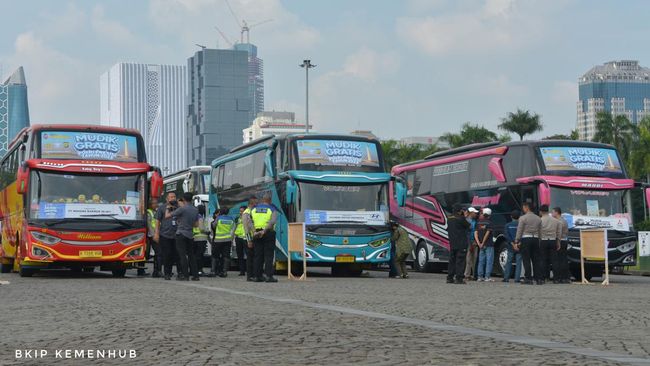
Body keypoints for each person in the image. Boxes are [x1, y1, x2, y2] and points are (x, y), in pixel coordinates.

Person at [171, 192, 200, 281]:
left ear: (183, 199)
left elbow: (170, 215)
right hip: (190, 235)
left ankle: (185, 275)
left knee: (182, 255)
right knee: (191, 255)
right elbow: (196, 224)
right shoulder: (195, 210)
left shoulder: (182, 209)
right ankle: (195, 275)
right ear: (191, 199)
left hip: (181, 233)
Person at [251, 194, 279, 283]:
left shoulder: (254, 209)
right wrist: (264, 231)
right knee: (268, 255)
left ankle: (257, 276)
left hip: (256, 233)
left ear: (262, 200)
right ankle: (268, 276)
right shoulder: (272, 209)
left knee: (258, 255)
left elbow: (250, 221)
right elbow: (272, 222)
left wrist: (254, 231)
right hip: (268, 233)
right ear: (270, 201)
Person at [514, 202, 542, 285]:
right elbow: (540, 231)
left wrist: (517, 241)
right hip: (536, 239)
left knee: (526, 259)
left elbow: (519, 230)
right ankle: (538, 279)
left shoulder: (522, 218)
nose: (523, 209)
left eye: (523, 207)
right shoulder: (538, 218)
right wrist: (539, 240)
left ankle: (528, 278)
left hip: (526, 239)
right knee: (536, 259)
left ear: (526, 207)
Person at [154, 192, 179, 280]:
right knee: (166, 254)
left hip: (176, 235)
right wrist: (156, 233)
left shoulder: (178, 207)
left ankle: (172, 272)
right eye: (171, 197)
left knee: (174, 255)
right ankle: (167, 273)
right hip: (165, 234)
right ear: (167, 199)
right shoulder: (162, 208)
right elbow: (157, 221)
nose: (173, 198)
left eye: (174, 196)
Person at [447, 204, 470, 284]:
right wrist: (465, 216)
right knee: (460, 261)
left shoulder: (449, 218)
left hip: (452, 242)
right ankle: (459, 278)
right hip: (461, 243)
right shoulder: (461, 218)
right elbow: (468, 226)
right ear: (460, 211)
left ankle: (449, 277)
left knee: (452, 260)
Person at [210, 208, 235, 278]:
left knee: (215, 256)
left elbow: (214, 225)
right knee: (226, 256)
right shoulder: (231, 219)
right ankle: (224, 272)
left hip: (218, 240)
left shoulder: (219, 218)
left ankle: (213, 271)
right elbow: (233, 229)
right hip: (227, 240)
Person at [539, 205, 561, 284]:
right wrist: (558, 241)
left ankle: (542, 278)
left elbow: (538, 232)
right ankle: (556, 278)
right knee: (554, 260)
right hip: (553, 240)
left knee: (543, 260)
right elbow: (559, 232)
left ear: (541, 211)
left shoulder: (540, 220)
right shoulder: (555, 221)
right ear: (548, 211)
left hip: (543, 240)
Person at [503, 210, 523, 283]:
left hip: (510, 246)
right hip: (519, 246)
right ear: (519, 217)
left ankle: (506, 278)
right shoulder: (521, 225)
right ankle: (517, 278)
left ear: (511, 216)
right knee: (518, 262)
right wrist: (518, 244)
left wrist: (513, 244)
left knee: (508, 262)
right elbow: (522, 235)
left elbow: (507, 236)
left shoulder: (507, 225)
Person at [475, 208, 495, 282]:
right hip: (488, 244)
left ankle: (480, 277)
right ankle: (487, 277)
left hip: (480, 245)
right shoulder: (490, 223)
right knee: (489, 260)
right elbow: (487, 233)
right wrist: (483, 242)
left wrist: (479, 243)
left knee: (481, 261)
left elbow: (475, 233)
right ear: (489, 215)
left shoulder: (478, 223)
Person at [552, 207, 570, 284]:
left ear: (557, 212)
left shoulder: (559, 222)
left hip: (560, 241)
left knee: (558, 260)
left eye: (553, 212)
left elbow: (558, 233)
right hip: (564, 240)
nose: (552, 214)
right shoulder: (564, 221)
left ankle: (559, 277)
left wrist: (557, 241)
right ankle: (565, 277)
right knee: (563, 259)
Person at [242, 197, 257, 281]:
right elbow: (246, 227)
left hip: (252, 237)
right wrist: (249, 240)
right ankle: (250, 276)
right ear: (252, 203)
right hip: (248, 238)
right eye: (256, 203)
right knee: (250, 258)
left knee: (253, 257)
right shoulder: (246, 213)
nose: (257, 204)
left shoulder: (252, 211)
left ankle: (254, 275)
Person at [193, 203, 210, 276]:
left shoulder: (194, 216)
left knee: (196, 255)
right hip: (201, 238)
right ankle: (199, 270)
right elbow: (201, 228)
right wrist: (207, 231)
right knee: (200, 256)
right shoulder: (200, 217)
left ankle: (195, 270)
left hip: (195, 238)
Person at [145, 200, 160, 277]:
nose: (156, 205)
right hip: (152, 235)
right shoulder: (148, 212)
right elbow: (149, 225)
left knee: (156, 253)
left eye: (156, 203)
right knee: (157, 253)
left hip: (155, 235)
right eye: (154, 203)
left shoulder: (155, 212)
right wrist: (154, 235)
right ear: (150, 205)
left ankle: (156, 270)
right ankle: (156, 271)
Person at [464, 207, 479, 281]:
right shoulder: (466, 221)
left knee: (474, 259)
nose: (476, 214)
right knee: (469, 259)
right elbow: (467, 233)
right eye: (474, 213)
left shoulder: (475, 221)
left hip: (475, 242)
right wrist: (470, 243)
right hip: (468, 242)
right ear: (470, 213)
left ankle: (474, 275)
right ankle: (467, 275)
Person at [234, 206, 248, 276]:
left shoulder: (248, 218)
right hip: (238, 238)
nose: (240, 212)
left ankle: (249, 270)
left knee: (249, 255)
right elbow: (235, 227)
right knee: (240, 255)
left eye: (242, 211)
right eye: (240, 211)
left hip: (245, 238)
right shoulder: (237, 218)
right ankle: (242, 271)